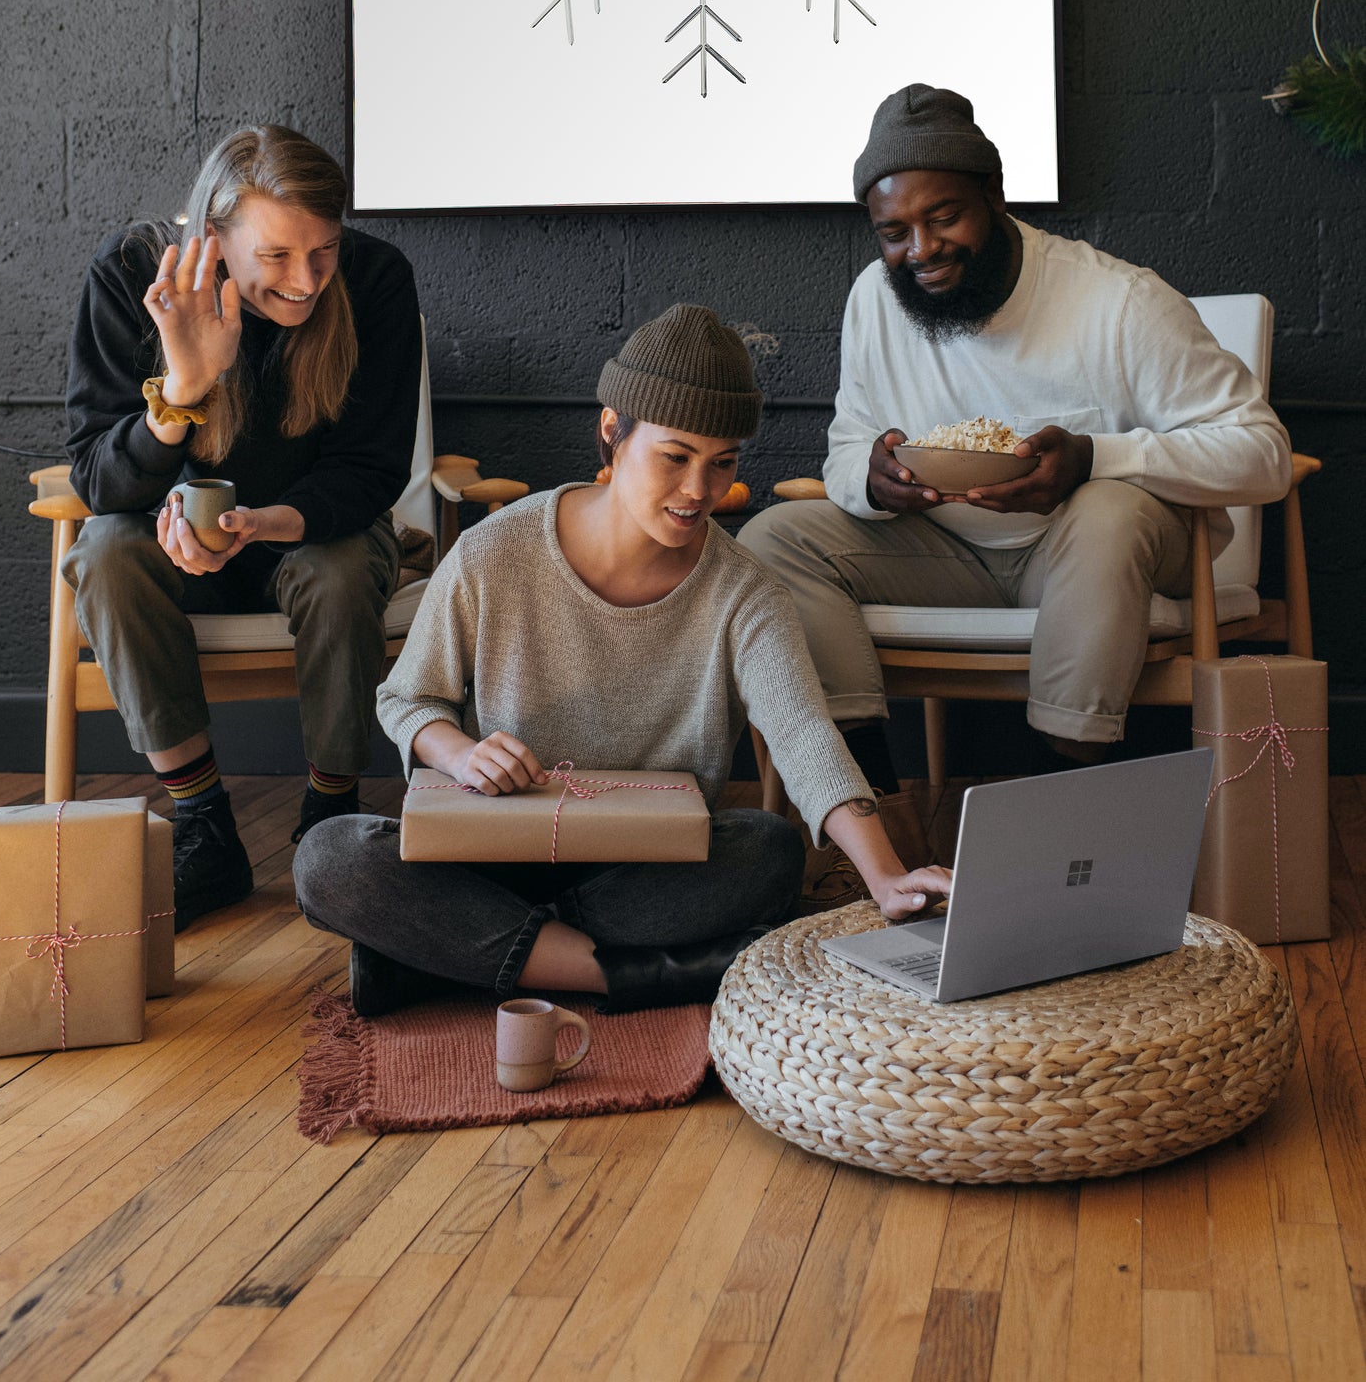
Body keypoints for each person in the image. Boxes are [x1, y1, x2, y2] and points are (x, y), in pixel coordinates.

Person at [293, 305, 951, 1015]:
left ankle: (444, 963)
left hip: (643, 870)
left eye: (721, 462)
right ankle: (632, 977)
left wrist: (885, 877)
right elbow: (405, 699)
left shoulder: (745, 591)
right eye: (674, 457)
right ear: (612, 432)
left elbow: (800, 732)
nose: (699, 491)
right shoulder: (494, 552)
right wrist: (457, 755)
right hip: (487, 856)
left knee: (764, 849)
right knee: (330, 857)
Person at [738, 82, 1294, 762]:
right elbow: (848, 446)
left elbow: (1261, 454)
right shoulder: (874, 300)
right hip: (948, 553)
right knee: (774, 537)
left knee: (1108, 509)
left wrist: (1093, 460)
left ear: (995, 196)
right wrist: (873, 479)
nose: (921, 250)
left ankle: (1065, 786)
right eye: (893, 232)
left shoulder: (1120, 302)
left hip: (1109, 554)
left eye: (944, 217)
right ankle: (868, 805)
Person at [64, 125, 422, 930]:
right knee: (107, 556)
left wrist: (273, 521)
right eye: (277, 257)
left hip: (309, 530)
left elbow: (370, 468)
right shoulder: (129, 277)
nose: (305, 282)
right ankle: (204, 825)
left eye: (322, 250)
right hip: (173, 539)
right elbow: (97, 477)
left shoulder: (375, 281)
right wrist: (186, 384)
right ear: (214, 236)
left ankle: (329, 814)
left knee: (336, 570)